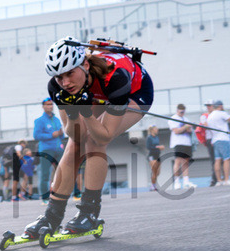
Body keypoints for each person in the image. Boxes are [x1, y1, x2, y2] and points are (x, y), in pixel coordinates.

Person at [22, 36, 154, 239]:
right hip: (94, 91)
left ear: (84, 64)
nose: (65, 83)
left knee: (94, 142)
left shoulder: (116, 78)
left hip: (134, 92)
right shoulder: (57, 86)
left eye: (69, 74)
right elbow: (74, 133)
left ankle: (89, 213)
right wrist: (74, 111)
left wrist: (85, 110)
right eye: (59, 77)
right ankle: (52, 216)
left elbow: (103, 136)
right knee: (75, 145)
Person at [33, 97, 65, 202]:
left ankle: (61, 195)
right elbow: (36, 135)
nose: (50, 106)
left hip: (59, 149)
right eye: (47, 104)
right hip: (46, 149)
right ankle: (45, 197)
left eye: (51, 104)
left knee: (62, 172)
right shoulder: (39, 120)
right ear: (43, 107)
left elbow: (61, 134)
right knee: (45, 174)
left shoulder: (56, 119)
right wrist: (52, 135)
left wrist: (61, 139)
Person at [206, 100, 230, 185]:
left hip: (215, 140)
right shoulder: (221, 113)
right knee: (227, 159)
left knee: (217, 160)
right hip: (224, 139)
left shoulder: (210, 116)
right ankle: (227, 180)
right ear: (220, 106)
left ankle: (219, 181)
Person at [169, 104, 193, 190]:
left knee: (186, 162)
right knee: (178, 161)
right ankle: (177, 182)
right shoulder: (173, 118)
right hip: (178, 143)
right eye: (181, 111)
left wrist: (189, 128)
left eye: (183, 111)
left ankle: (186, 181)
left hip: (187, 142)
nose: (182, 113)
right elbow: (176, 131)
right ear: (177, 110)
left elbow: (190, 131)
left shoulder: (186, 119)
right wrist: (185, 127)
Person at [145, 126, 163, 191]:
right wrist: (158, 147)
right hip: (152, 155)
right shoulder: (149, 138)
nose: (157, 130)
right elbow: (148, 147)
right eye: (156, 129)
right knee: (154, 171)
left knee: (158, 172)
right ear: (152, 130)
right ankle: (153, 186)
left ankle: (154, 184)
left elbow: (157, 146)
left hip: (157, 155)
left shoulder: (157, 137)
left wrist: (160, 148)